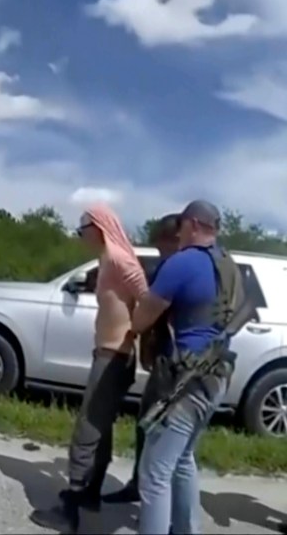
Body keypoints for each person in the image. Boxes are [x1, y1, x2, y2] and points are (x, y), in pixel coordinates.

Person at [30, 203, 148, 533]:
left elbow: (149, 300)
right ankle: (91, 493)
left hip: (114, 357)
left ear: (97, 227)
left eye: (82, 230)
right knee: (101, 426)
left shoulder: (120, 260)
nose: (80, 236)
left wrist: (134, 332)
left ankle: (71, 507)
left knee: (87, 430)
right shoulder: (108, 260)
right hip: (110, 355)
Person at [131, 200, 244, 535]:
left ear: (193, 224)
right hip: (215, 376)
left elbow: (140, 320)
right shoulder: (228, 265)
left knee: (154, 473)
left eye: (181, 225)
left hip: (187, 381)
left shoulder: (182, 263)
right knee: (182, 460)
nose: (177, 233)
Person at [102, 213, 181, 505]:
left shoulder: (176, 268)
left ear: (175, 238)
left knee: (157, 427)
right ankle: (146, 485)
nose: (158, 246)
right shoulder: (176, 266)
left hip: (172, 361)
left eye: (161, 240)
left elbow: (154, 312)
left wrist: (138, 328)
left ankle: (152, 492)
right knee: (153, 426)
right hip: (167, 356)